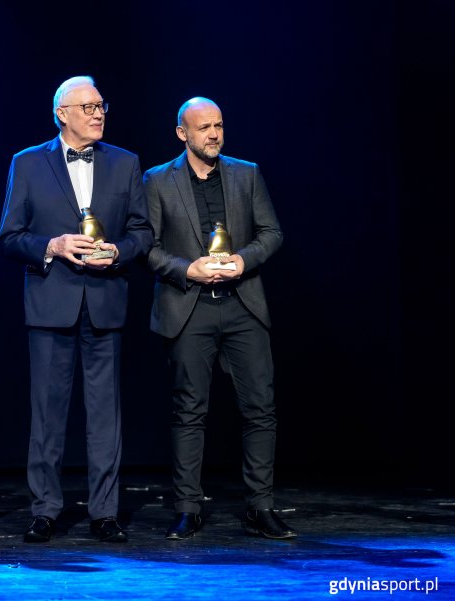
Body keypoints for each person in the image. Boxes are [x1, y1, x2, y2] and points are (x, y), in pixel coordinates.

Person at [0, 76, 152, 543]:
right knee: (47, 414)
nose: (98, 113)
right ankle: (45, 509)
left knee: (106, 414)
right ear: (62, 114)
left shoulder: (125, 163)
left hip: (105, 302)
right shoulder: (27, 163)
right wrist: (53, 244)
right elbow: (8, 237)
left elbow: (142, 231)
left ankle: (105, 513)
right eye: (87, 107)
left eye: (101, 105)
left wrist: (119, 253)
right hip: (51, 302)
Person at [143, 97, 296, 540]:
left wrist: (243, 262)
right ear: (182, 134)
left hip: (242, 302)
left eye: (219, 125)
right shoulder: (156, 180)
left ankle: (260, 506)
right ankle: (188, 508)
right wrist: (186, 269)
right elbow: (147, 247)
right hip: (189, 305)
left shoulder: (246, 173)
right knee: (189, 410)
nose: (214, 134)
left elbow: (271, 233)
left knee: (260, 408)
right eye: (204, 127)